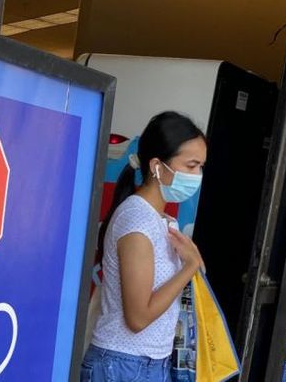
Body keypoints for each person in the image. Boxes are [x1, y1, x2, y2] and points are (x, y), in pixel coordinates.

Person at [82, 112, 208, 382]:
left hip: (149, 363)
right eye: (191, 166)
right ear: (157, 166)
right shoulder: (136, 221)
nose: (197, 175)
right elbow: (137, 318)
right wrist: (190, 266)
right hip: (122, 364)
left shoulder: (164, 221)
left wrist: (193, 264)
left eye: (200, 167)